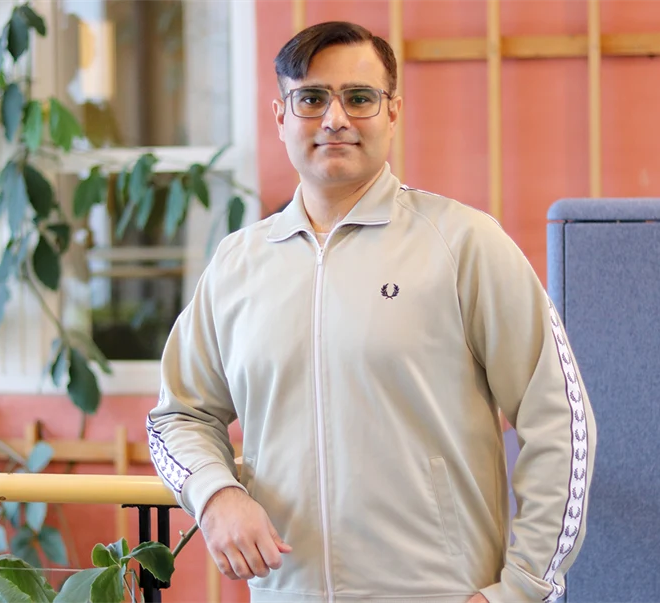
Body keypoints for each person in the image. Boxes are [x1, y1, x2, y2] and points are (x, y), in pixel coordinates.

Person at [147, 21, 596, 603]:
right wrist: (215, 495)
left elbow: (561, 421)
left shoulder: (464, 243)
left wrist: (522, 589)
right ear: (281, 115)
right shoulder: (238, 265)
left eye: (359, 98)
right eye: (311, 98)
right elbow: (175, 417)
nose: (335, 119)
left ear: (392, 113)